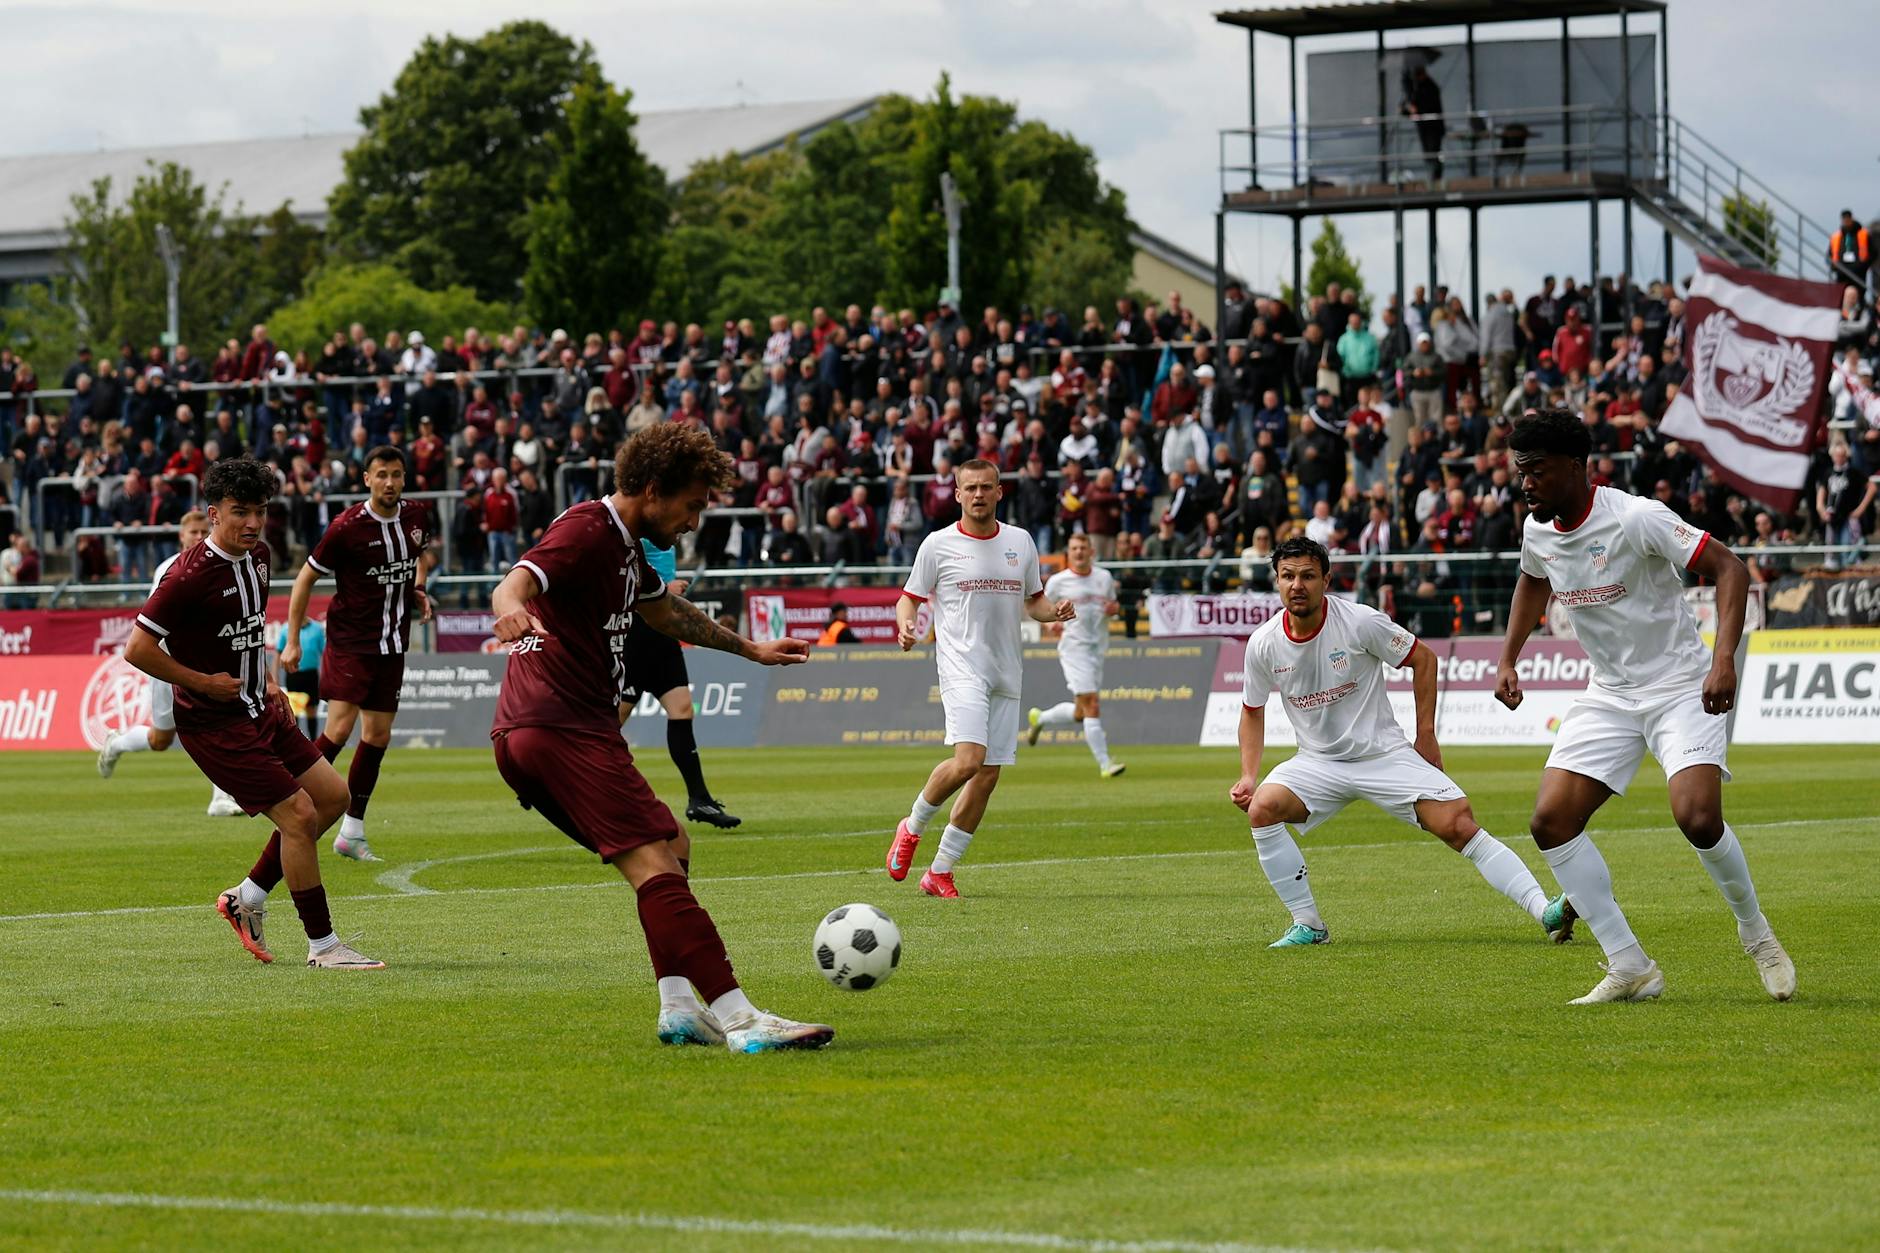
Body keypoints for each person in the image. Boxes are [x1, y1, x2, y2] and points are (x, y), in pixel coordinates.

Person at [487, 424, 831, 1052]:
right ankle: (741, 1018)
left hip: (544, 729)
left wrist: (750, 648)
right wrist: (508, 605)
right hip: (560, 726)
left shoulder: (626, 550)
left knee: (672, 842)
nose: (696, 520)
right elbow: (519, 579)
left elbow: (667, 612)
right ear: (651, 489)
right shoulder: (588, 529)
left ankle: (679, 1008)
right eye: (692, 505)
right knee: (652, 863)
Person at [1497, 409, 1794, 1004]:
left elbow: (1728, 567)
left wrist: (1724, 659)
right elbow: (1533, 579)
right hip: (1608, 694)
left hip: (1681, 686)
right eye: (1519, 470)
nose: (1524, 482)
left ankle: (1756, 932)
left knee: (1698, 817)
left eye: (1536, 470)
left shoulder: (1636, 517)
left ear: (1577, 468)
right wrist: (1510, 656)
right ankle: (1630, 964)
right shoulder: (1538, 530)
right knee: (1550, 822)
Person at [1230, 536, 1569, 949]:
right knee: (1262, 808)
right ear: (1276, 582)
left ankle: (1544, 910)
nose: (1297, 585)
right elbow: (1252, 710)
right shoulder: (1263, 644)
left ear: (1326, 580)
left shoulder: (1359, 622)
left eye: (1307, 576)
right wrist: (1249, 776)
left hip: (1383, 755)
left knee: (1458, 823)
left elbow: (1423, 658)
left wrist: (1425, 736)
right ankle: (1308, 924)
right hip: (1317, 762)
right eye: (1287, 577)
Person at [122, 457, 381, 970]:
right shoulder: (186, 576)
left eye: (259, 511)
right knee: (299, 815)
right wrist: (201, 683)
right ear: (213, 513)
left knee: (332, 797)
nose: (252, 523)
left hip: (259, 706)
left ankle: (248, 897)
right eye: (240, 512)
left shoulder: (259, 556)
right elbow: (137, 649)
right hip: (212, 723)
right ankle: (324, 947)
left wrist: (267, 682)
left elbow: (247, 631)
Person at [885, 459, 1075, 898]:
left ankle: (940, 871)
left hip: (1007, 670)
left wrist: (1055, 613)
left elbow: (1036, 601)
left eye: (985, 487)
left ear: (999, 491)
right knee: (969, 761)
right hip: (961, 667)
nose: (978, 495)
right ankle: (912, 827)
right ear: (957, 494)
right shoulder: (937, 544)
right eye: (969, 488)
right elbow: (908, 599)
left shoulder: (1020, 542)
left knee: (987, 776)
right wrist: (906, 624)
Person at [282, 446, 433, 863]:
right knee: (339, 729)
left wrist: (417, 588)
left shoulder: (417, 516)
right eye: (381, 474)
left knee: (378, 735)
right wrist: (293, 640)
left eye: (397, 474)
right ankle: (289, 799)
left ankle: (352, 830)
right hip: (350, 642)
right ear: (366, 478)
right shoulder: (346, 528)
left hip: (392, 644)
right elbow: (304, 580)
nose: (390, 482)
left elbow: (420, 558)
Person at [95, 510, 246, 818]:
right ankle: (118, 743)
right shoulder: (171, 569)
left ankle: (221, 796)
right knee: (161, 738)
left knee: (221, 721)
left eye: (203, 530)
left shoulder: (224, 565)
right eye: (192, 531)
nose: (198, 536)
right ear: (181, 536)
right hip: (171, 665)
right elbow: (154, 628)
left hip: (206, 660)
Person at [619, 538, 740, 828]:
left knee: (682, 708)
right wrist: (661, 590)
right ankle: (556, 778)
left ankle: (699, 800)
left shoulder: (662, 525)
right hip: (636, 634)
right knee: (610, 723)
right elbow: (614, 577)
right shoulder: (632, 526)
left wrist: (666, 594)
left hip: (662, 631)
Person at [1026, 533, 1126, 777]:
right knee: (1092, 703)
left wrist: (1114, 609)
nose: (1079, 552)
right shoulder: (1059, 582)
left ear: (1091, 551)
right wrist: (1051, 625)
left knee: (1082, 712)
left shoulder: (1104, 577)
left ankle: (1040, 718)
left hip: (1098, 648)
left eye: (1083, 548)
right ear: (1068, 554)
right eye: (1074, 548)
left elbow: (1112, 607)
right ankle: (1105, 764)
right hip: (1074, 648)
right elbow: (1042, 611)